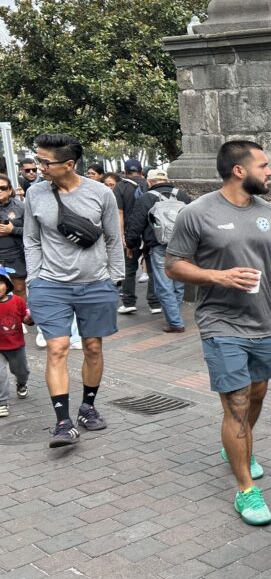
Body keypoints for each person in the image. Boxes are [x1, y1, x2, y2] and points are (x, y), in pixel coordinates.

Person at [165, 140, 271, 526]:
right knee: (236, 403)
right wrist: (218, 276)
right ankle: (246, 490)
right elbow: (173, 266)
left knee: (256, 396)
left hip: (263, 322)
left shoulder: (270, 212)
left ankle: (237, 447)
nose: (269, 172)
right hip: (220, 323)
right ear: (240, 170)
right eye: (264, 165)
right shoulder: (196, 213)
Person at [23, 133, 123, 448]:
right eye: (37, 159)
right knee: (57, 348)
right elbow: (31, 238)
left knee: (93, 347)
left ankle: (87, 406)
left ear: (69, 164)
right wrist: (35, 278)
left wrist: (115, 277)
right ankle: (63, 422)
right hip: (50, 285)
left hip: (95, 284)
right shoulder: (35, 194)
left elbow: (112, 237)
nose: (39, 167)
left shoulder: (100, 194)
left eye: (44, 162)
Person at [124, 169, 191, 333]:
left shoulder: (146, 198)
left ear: (149, 182)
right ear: (167, 180)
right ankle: (176, 315)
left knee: (164, 284)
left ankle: (175, 322)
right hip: (182, 246)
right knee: (178, 282)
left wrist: (131, 245)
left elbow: (136, 225)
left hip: (159, 245)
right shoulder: (182, 196)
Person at [115, 159, 160, 316]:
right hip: (149, 233)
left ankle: (128, 302)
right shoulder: (149, 185)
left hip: (130, 233)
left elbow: (119, 214)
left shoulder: (120, 187)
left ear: (125, 172)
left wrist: (122, 237)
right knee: (153, 269)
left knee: (129, 269)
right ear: (141, 171)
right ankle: (155, 303)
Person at [0, 267, 32, 415]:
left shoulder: (17, 301)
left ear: (7, 285)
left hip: (16, 345)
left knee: (22, 371)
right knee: (0, 374)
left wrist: (31, 318)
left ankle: (21, 384)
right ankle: (2, 402)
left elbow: (25, 319)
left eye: (0, 283)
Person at [0, 174, 27, 298]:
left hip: (15, 256)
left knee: (19, 289)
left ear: (10, 190)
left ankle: (20, 315)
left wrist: (13, 230)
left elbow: (33, 232)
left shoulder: (20, 207)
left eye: (3, 188)